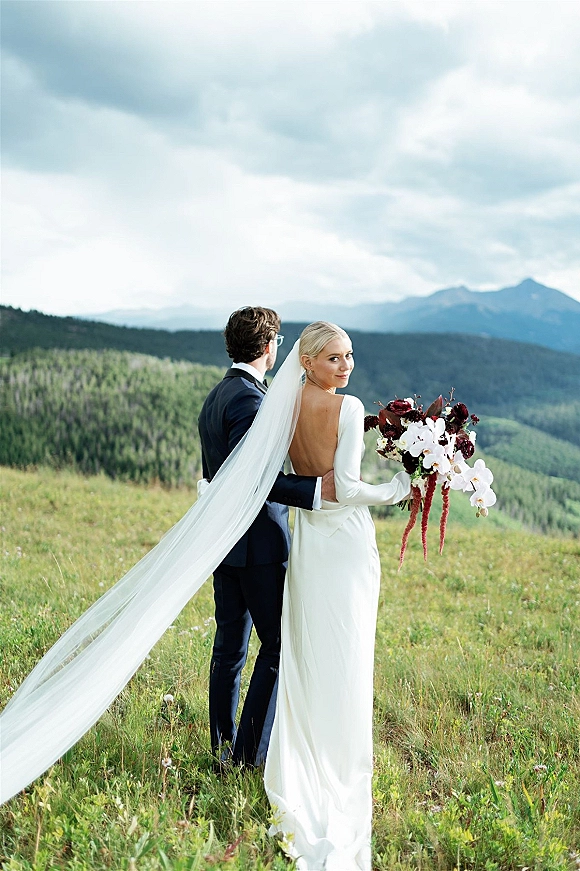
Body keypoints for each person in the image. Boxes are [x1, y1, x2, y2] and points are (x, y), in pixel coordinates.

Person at [264, 322, 411, 871]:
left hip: (307, 538)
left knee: (313, 647)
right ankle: (339, 759)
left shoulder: (283, 407)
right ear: (307, 362)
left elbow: (290, 474)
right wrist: (395, 490)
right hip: (344, 541)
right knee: (345, 651)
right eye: (333, 359)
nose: (346, 367)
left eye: (349, 356)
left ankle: (307, 750)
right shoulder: (346, 410)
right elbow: (346, 488)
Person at [198, 307, 335, 767]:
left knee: (229, 650)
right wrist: (317, 489)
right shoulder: (250, 402)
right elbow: (255, 480)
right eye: (278, 339)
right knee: (277, 646)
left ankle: (223, 748)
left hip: (224, 543)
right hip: (257, 547)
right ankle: (248, 755)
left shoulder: (217, 396)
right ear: (268, 344)